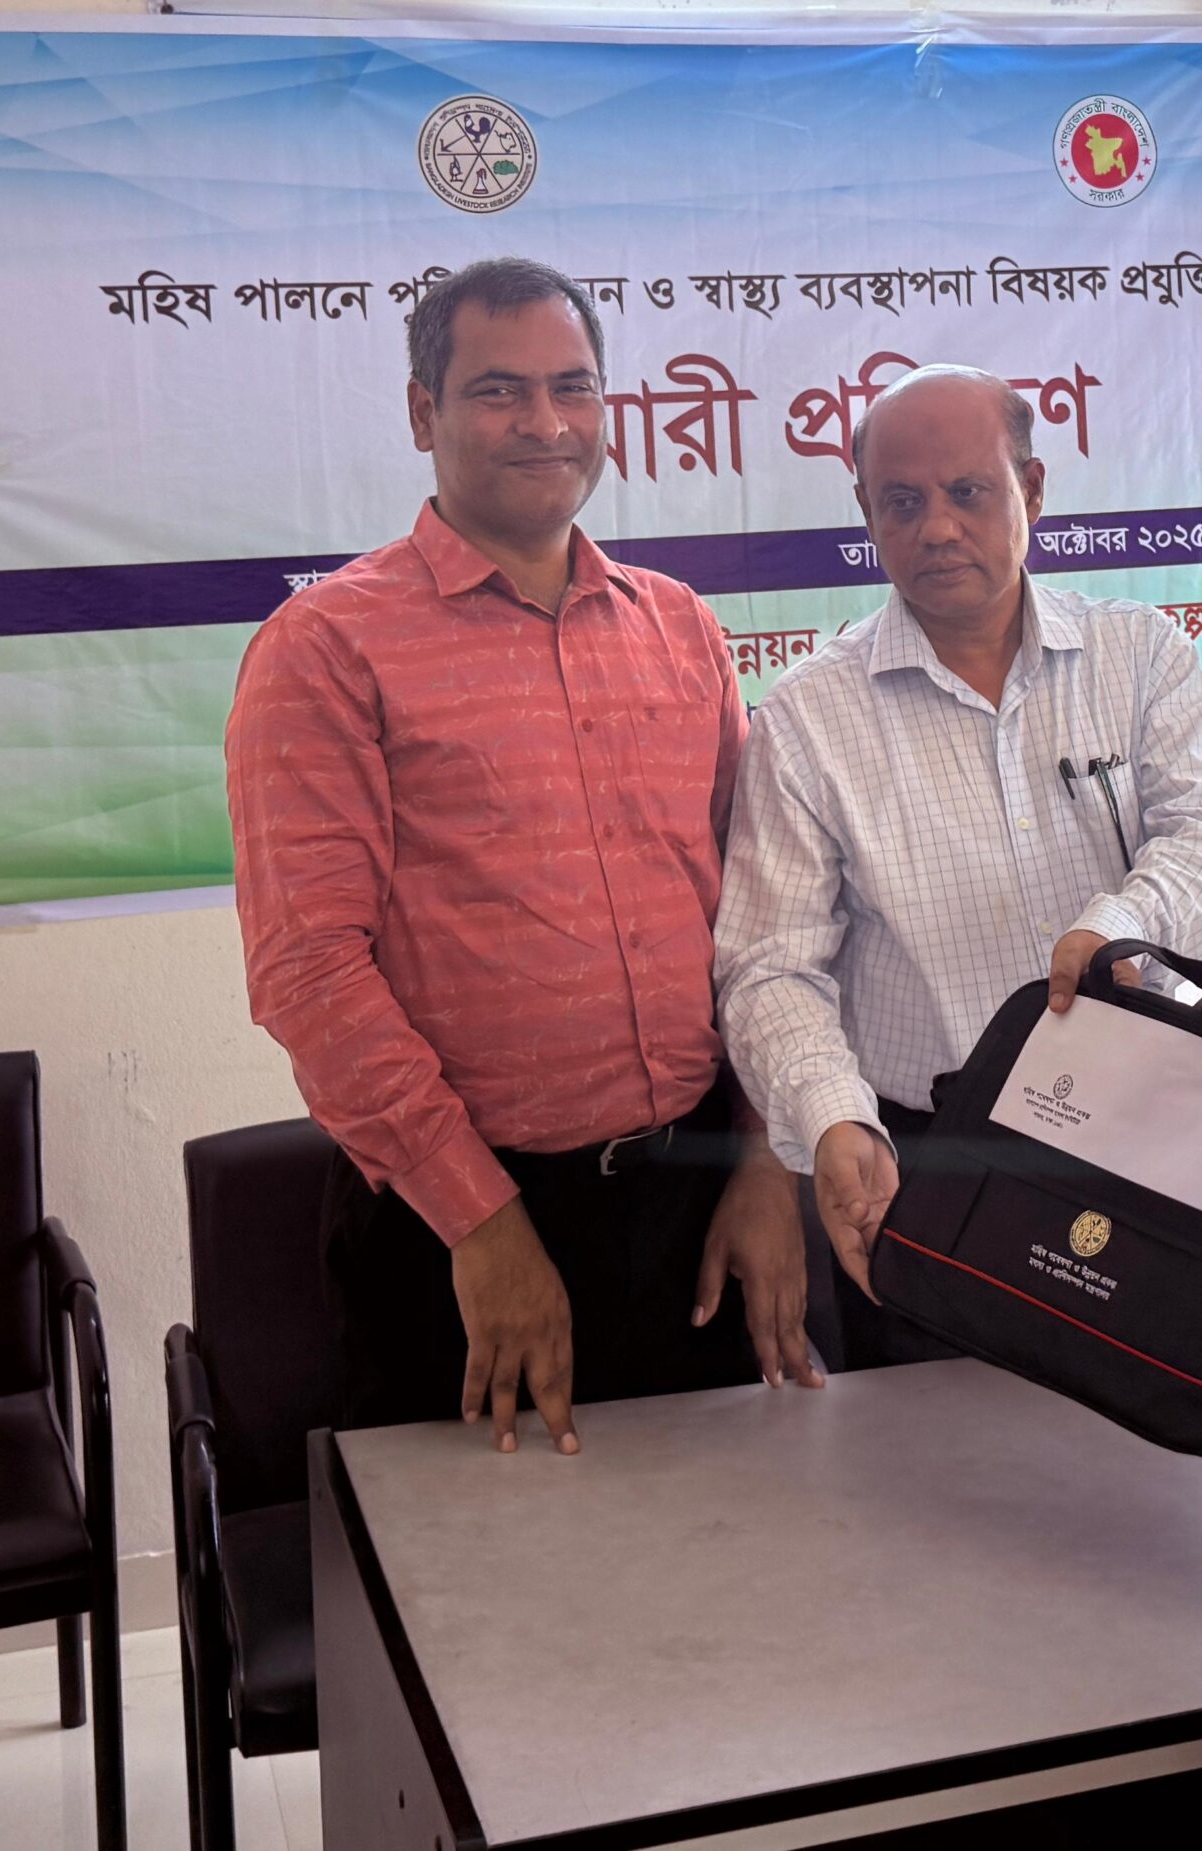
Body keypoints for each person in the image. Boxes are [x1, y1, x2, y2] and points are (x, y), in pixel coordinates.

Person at [228, 257, 816, 1456]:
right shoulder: (327, 648)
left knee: (728, 1545)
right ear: (422, 413)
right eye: (499, 390)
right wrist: (481, 1222)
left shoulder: (681, 628)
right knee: (485, 1568)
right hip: (458, 1229)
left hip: (698, 1200)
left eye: (572, 387)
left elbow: (760, 917)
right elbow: (308, 969)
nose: (545, 423)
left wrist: (765, 1158)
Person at [716, 364, 1202, 1366]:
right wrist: (835, 1121)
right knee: (946, 1452)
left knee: (1153, 1431)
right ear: (866, 513)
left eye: (968, 492)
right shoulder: (806, 720)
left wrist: (1116, 928)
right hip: (923, 1169)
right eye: (901, 502)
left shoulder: (1139, 655)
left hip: (1143, 1141)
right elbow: (769, 967)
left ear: (1032, 491)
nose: (936, 529)